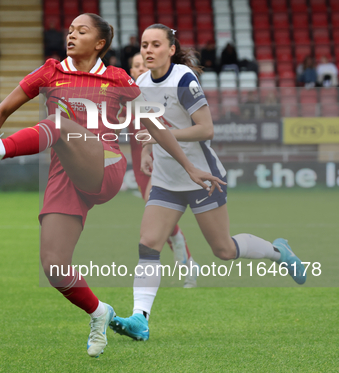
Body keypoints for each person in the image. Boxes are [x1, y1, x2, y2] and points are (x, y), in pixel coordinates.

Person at [0, 14, 224, 357]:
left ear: (100, 43)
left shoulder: (117, 78)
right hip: (64, 176)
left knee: (57, 123)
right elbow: (3, 109)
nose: (71, 35)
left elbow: (155, 125)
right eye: (69, 30)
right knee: (53, 264)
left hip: (105, 165)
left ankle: (1, 150)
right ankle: (100, 313)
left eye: (81, 31)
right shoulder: (50, 71)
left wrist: (189, 166)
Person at [109, 24, 307, 343]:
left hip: (202, 175)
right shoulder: (141, 83)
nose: (147, 50)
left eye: (155, 44)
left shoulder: (184, 80)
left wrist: (162, 138)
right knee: (148, 244)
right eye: (144, 44)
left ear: (171, 49)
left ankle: (278, 252)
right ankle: (140, 319)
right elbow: (151, 124)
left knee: (224, 250)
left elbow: (206, 130)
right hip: (166, 178)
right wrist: (147, 148)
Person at [125, 52, 200, 288]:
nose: (138, 69)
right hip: (140, 162)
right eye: (134, 66)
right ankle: (186, 261)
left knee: (154, 208)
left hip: (161, 158)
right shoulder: (129, 96)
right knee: (159, 221)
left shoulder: (157, 93)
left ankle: (185, 259)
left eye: (141, 65)